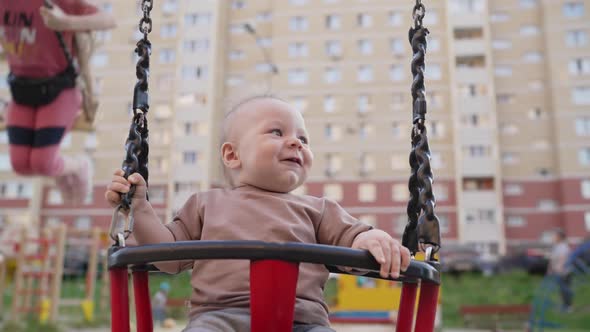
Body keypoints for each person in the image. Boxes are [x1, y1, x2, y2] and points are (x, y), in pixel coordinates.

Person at [105, 95, 412, 332]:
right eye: (277, 132)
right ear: (232, 154)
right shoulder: (205, 204)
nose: (295, 142)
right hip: (219, 318)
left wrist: (372, 238)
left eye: (303, 139)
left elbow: (353, 237)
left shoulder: (319, 209)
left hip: (302, 321)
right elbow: (167, 256)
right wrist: (140, 208)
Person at [0, 0, 116, 203]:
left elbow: (108, 20)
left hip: (59, 90)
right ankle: (63, 171)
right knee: (20, 165)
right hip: (21, 91)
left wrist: (66, 22)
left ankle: (79, 165)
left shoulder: (57, 2)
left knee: (42, 163)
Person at [547, 228, 573, 312]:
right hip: (557, 271)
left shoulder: (563, 247)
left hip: (564, 272)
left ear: (559, 237)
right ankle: (564, 306)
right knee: (562, 289)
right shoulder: (556, 247)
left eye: (554, 236)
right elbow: (552, 259)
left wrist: (559, 269)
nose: (552, 238)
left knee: (565, 289)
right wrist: (550, 270)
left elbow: (563, 259)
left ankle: (568, 307)